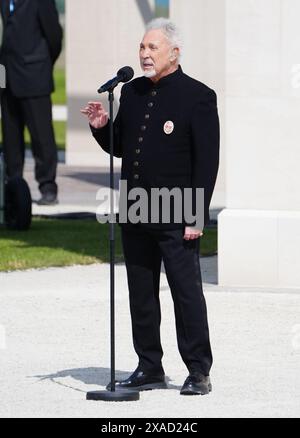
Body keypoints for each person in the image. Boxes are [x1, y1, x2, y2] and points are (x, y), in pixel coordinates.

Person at [81, 18, 220, 396]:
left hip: (178, 212)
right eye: (142, 47)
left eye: (152, 48)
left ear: (174, 53)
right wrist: (101, 127)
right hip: (137, 210)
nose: (144, 54)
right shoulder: (133, 91)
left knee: (185, 292)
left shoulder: (198, 96)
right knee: (140, 293)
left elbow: (207, 162)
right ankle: (149, 366)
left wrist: (197, 214)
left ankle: (198, 371)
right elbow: (123, 146)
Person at [0, 0, 63, 205]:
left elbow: (54, 36)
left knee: (41, 135)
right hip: (7, 75)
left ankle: (47, 187)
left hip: (35, 74)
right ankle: (13, 183)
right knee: (10, 136)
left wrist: (42, 63)